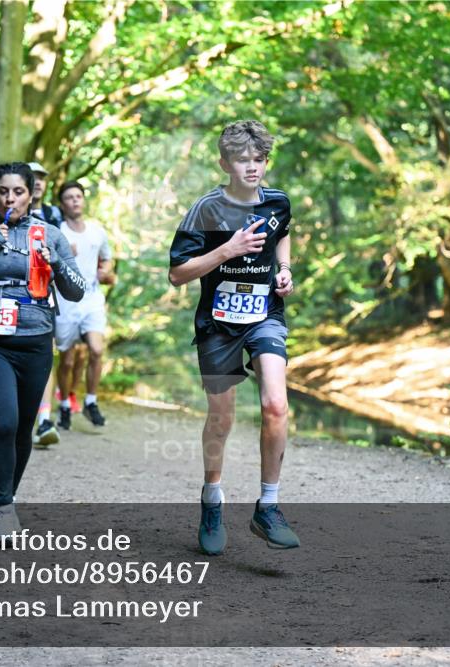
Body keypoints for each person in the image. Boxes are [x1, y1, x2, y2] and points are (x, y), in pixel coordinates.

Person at [167, 120, 299, 555]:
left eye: (258, 160)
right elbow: (177, 274)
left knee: (276, 405)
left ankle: (269, 506)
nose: (252, 167)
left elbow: (284, 235)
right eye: (242, 160)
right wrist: (226, 249)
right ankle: (212, 499)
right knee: (221, 420)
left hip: (264, 315)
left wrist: (284, 270)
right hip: (218, 323)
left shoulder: (277, 202)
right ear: (224, 163)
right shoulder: (206, 210)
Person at [0, 162, 84, 538]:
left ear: (32, 193)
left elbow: (77, 290)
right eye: (3, 191)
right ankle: (2, 507)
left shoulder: (50, 234)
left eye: (18, 192)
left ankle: (7, 500)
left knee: (22, 428)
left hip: (34, 339)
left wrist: (57, 265)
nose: (10, 198)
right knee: (1, 421)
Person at [54, 181, 115, 428]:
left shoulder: (97, 232)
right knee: (67, 360)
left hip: (92, 298)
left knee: (97, 350)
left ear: (83, 200)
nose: (75, 200)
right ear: (62, 204)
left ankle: (90, 401)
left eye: (78, 196)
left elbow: (108, 259)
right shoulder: (57, 232)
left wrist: (105, 271)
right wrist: (62, 253)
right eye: (69, 197)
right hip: (65, 300)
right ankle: (66, 405)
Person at [28, 162, 63, 447]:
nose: (37, 183)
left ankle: (45, 420)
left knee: (45, 355)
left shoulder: (53, 215)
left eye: (41, 179)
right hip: (8, 298)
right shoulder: (7, 212)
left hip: (44, 295)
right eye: (33, 178)